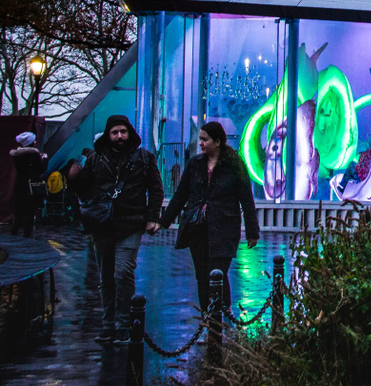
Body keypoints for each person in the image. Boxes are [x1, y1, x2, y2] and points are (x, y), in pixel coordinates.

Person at [69, 115, 163, 345]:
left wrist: (152, 218)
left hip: (131, 224)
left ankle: (123, 323)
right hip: (102, 225)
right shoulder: (96, 159)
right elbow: (84, 188)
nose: (119, 136)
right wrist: (74, 178)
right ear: (107, 135)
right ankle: (107, 324)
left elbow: (156, 189)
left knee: (122, 273)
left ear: (129, 132)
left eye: (123, 131)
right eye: (114, 132)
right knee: (106, 278)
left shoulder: (144, 157)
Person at [153, 122, 259, 313]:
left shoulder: (234, 165)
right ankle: (208, 319)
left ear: (217, 141)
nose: (200, 143)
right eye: (200, 139)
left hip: (224, 229)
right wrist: (163, 221)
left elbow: (246, 199)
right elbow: (180, 195)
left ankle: (222, 313)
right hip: (197, 228)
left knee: (217, 272)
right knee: (202, 276)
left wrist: (252, 232)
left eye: (204, 139)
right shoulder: (195, 165)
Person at [9, 132, 46, 237]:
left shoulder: (17, 155)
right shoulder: (34, 155)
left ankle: (14, 233)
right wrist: (44, 160)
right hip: (32, 184)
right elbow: (41, 169)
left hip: (20, 183)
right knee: (30, 211)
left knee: (18, 211)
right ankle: (27, 235)